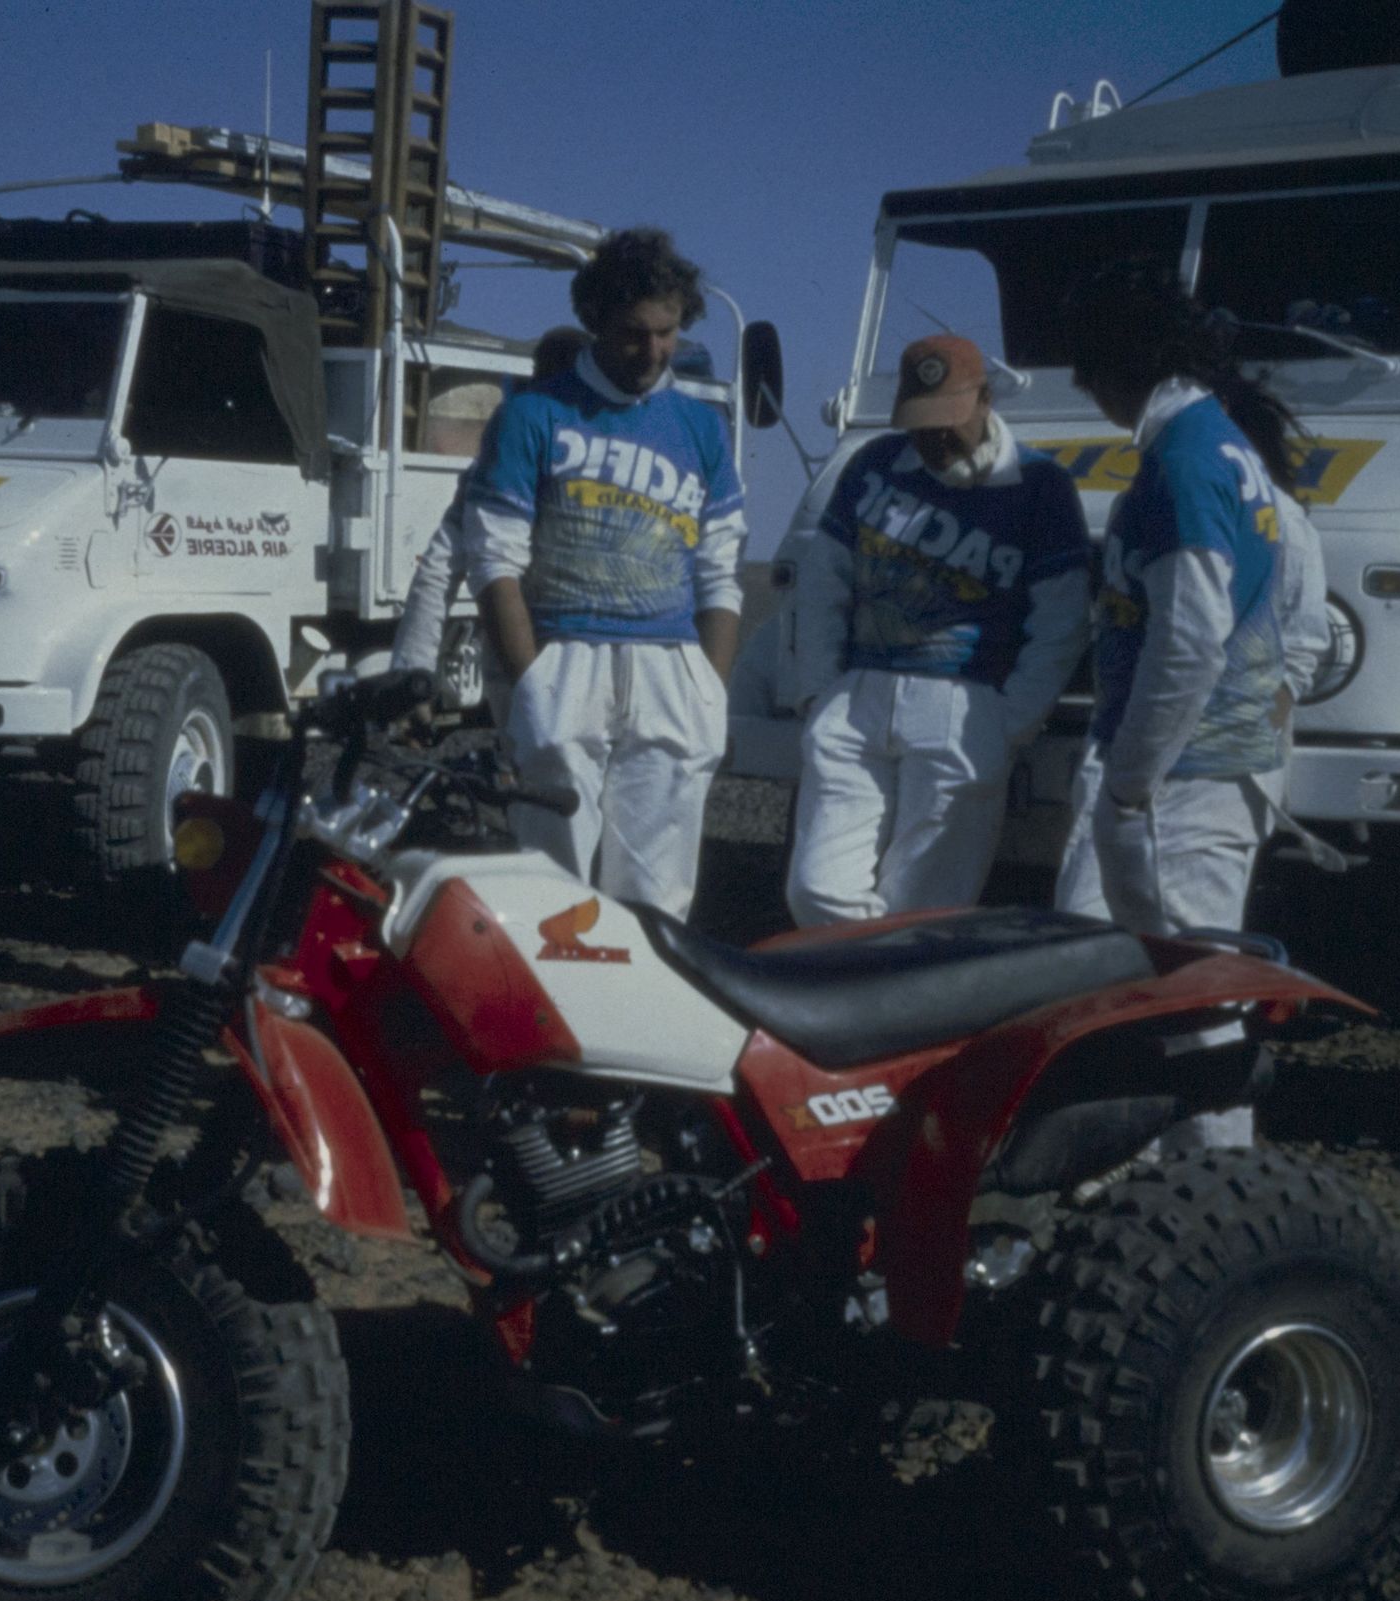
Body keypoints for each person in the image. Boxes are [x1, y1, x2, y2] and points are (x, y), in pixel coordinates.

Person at [1059, 263, 1306, 1155]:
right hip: (1206, 768)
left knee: (1197, 1003)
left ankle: (1222, 1190)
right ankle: (1195, 1176)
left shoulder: (1188, 463)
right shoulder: (1223, 449)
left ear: (1121, 365)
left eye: (1087, 374)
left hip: (1183, 779)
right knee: (1186, 996)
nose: (1086, 393)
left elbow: (1191, 635)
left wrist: (1129, 779)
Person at [462, 229, 744, 919]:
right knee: (550, 897)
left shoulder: (702, 429)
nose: (652, 353)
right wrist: (533, 686)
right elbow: (495, 560)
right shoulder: (533, 415)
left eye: (667, 333)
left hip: (671, 672)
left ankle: (645, 1026)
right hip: (565, 661)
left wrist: (710, 688)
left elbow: (720, 570)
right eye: (633, 335)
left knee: (657, 904)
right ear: (594, 323)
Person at [784, 335, 1091, 924]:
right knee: (816, 888)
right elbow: (824, 582)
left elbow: (1061, 619)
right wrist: (818, 691)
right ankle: (866, 985)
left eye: (949, 419)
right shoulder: (873, 464)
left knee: (927, 909)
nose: (935, 437)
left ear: (984, 399)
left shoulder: (1040, 486)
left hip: (965, 701)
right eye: (921, 423)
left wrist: (1010, 721)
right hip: (858, 693)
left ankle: (886, 1008)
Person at [389, 327, 593, 719]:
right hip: (546, 663)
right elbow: (440, 568)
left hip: (546, 664)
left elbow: (438, 571)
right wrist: (410, 678)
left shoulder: (499, 466)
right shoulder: (501, 467)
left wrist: (409, 676)